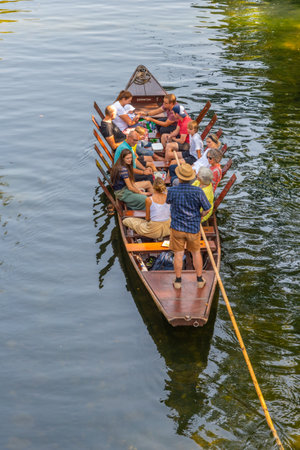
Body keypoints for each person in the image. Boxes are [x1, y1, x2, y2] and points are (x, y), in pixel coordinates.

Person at [166, 163, 211, 290]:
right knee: (196, 253)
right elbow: (207, 208)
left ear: (179, 178)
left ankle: (178, 280)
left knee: (178, 254)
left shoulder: (172, 190)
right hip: (193, 228)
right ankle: (199, 279)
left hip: (177, 228)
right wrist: (200, 215)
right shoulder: (198, 191)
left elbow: (168, 202)